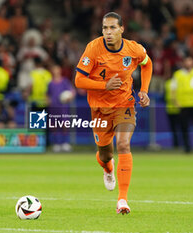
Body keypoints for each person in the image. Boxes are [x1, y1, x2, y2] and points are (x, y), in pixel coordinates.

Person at [74, 12, 152, 214]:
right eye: (105, 28)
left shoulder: (133, 49)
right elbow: (79, 80)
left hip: (124, 104)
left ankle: (122, 200)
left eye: (112, 28)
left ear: (121, 29)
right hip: (99, 109)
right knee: (105, 154)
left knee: (123, 143)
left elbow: (147, 64)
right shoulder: (94, 48)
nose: (108, 32)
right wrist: (104, 85)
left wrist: (143, 90)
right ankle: (107, 168)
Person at [47, 64, 75, 152]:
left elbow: (72, 91)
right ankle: (56, 143)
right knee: (54, 125)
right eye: (54, 70)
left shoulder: (64, 81)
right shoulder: (50, 83)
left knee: (64, 124)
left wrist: (70, 96)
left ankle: (65, 143)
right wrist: (48, 101)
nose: (56, 71)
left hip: (63, 107)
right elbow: (47, 94)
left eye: (57, 69)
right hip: (53, 107)